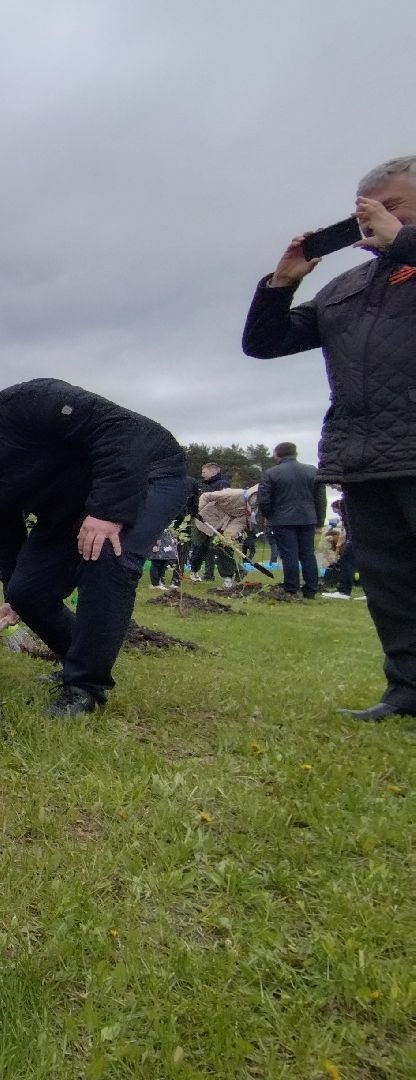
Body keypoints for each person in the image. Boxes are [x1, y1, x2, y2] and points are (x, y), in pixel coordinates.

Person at [243, 155, 416, 720]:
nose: (376, 220)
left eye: (393, 206)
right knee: (391, 584)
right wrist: (281, 283)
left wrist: (405, 244)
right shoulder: (349, 285)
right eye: (368, 211)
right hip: (364, 453)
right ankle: (407, 690)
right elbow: (266, 343)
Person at [0, 379, 186, 717]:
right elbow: (5, 528)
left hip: (146, 473)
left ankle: (84, 686)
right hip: (72, 505)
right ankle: (78, 658)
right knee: (28, 592)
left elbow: (121, 431)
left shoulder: (33, 401)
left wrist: (107, 512)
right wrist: (14, 592)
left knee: (106, 552)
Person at [257, 442, 325, 600]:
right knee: (308, 553)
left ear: (277, 454)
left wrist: (268, 515)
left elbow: (264, 499)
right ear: (295, 453)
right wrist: (320, 520)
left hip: (282, 519)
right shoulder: (312, 471)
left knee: (289, 554)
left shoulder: (271, 473)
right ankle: (311, 588)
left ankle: (291, 587)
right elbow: (320, 498)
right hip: (308, 517)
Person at [184, 463, 228, 581]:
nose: (201, 474)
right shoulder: (201, 485)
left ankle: (211, 574)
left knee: (214, 547)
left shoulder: (222, 484)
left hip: (215, 521)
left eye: (204, 472)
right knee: (199, 547)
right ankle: (194, 570)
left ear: (213, 472)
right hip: (200, 520)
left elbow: (222, 502)